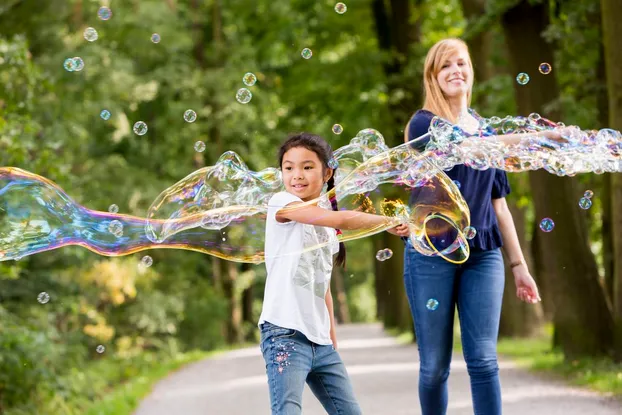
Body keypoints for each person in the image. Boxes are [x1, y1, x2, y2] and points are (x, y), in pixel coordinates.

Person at [403, 38, 561, 415]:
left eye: (461, 63)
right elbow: (468, 150)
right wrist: (540, 138)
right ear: (433, 77)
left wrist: (520, 266)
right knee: (434, 367)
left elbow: (500, 207)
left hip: (484, 254)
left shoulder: (485, 129)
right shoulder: (423, 124)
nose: (455, 71)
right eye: (445, 66)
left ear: (471, 72)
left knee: (485, 362)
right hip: (432, 253)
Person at [259, 132, 409, 415]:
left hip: (321, 343)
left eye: (307, 166)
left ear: (327, 172)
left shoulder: (328, 228)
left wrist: (330, 338)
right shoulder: (282, 204)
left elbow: (322, 286)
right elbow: (340, 218)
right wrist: (385, 222)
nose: (297, 175)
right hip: (284, 334)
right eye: (288, 167)